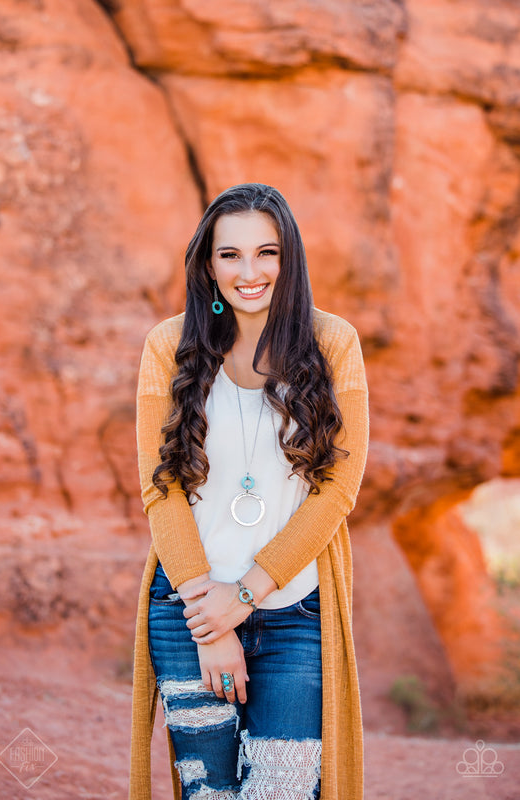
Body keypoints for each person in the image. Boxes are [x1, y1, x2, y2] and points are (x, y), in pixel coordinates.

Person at [129, 183, 369, 800]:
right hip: (189, 611)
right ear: (208, 265)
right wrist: (212, 624)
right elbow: (161, 490)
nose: (250, 272)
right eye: (230, 254)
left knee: (282, 791)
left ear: (290, 260)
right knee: (209, 792)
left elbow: (338, 491)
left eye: (267, 252)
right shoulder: (167, 346)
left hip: (295, 614)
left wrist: (245, 595)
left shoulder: (334, 343)